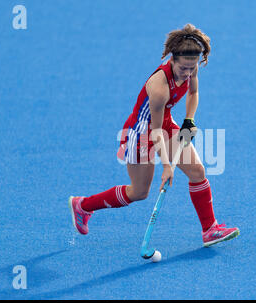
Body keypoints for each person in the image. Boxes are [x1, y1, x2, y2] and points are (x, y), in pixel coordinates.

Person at [69, 23, 239, 247]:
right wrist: (167, 166)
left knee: (197, 170)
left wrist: (189, 119)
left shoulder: (190, 65)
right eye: (183, 69)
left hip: (165, 124)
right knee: (139, 192)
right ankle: (83, 205)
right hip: (140, 134)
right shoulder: (159, 88)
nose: (188, 72)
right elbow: (155, 132)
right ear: (172, 60)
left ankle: (209, 229)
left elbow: (194, 92)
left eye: (192, 68)